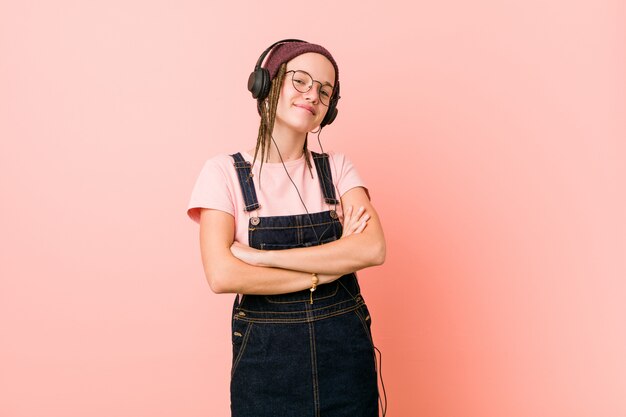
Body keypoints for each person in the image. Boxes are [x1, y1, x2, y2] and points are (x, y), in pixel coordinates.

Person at [187, 39, 386, 417]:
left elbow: (373, 249)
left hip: (346, 363)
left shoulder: (339, 169)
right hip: (266, 369)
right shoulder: (223, 173)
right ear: (266, 84)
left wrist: (260, 260)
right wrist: (330, 267)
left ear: (329, 110)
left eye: (325, 91)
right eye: (301, 81)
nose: (313, 94)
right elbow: (223, 274)